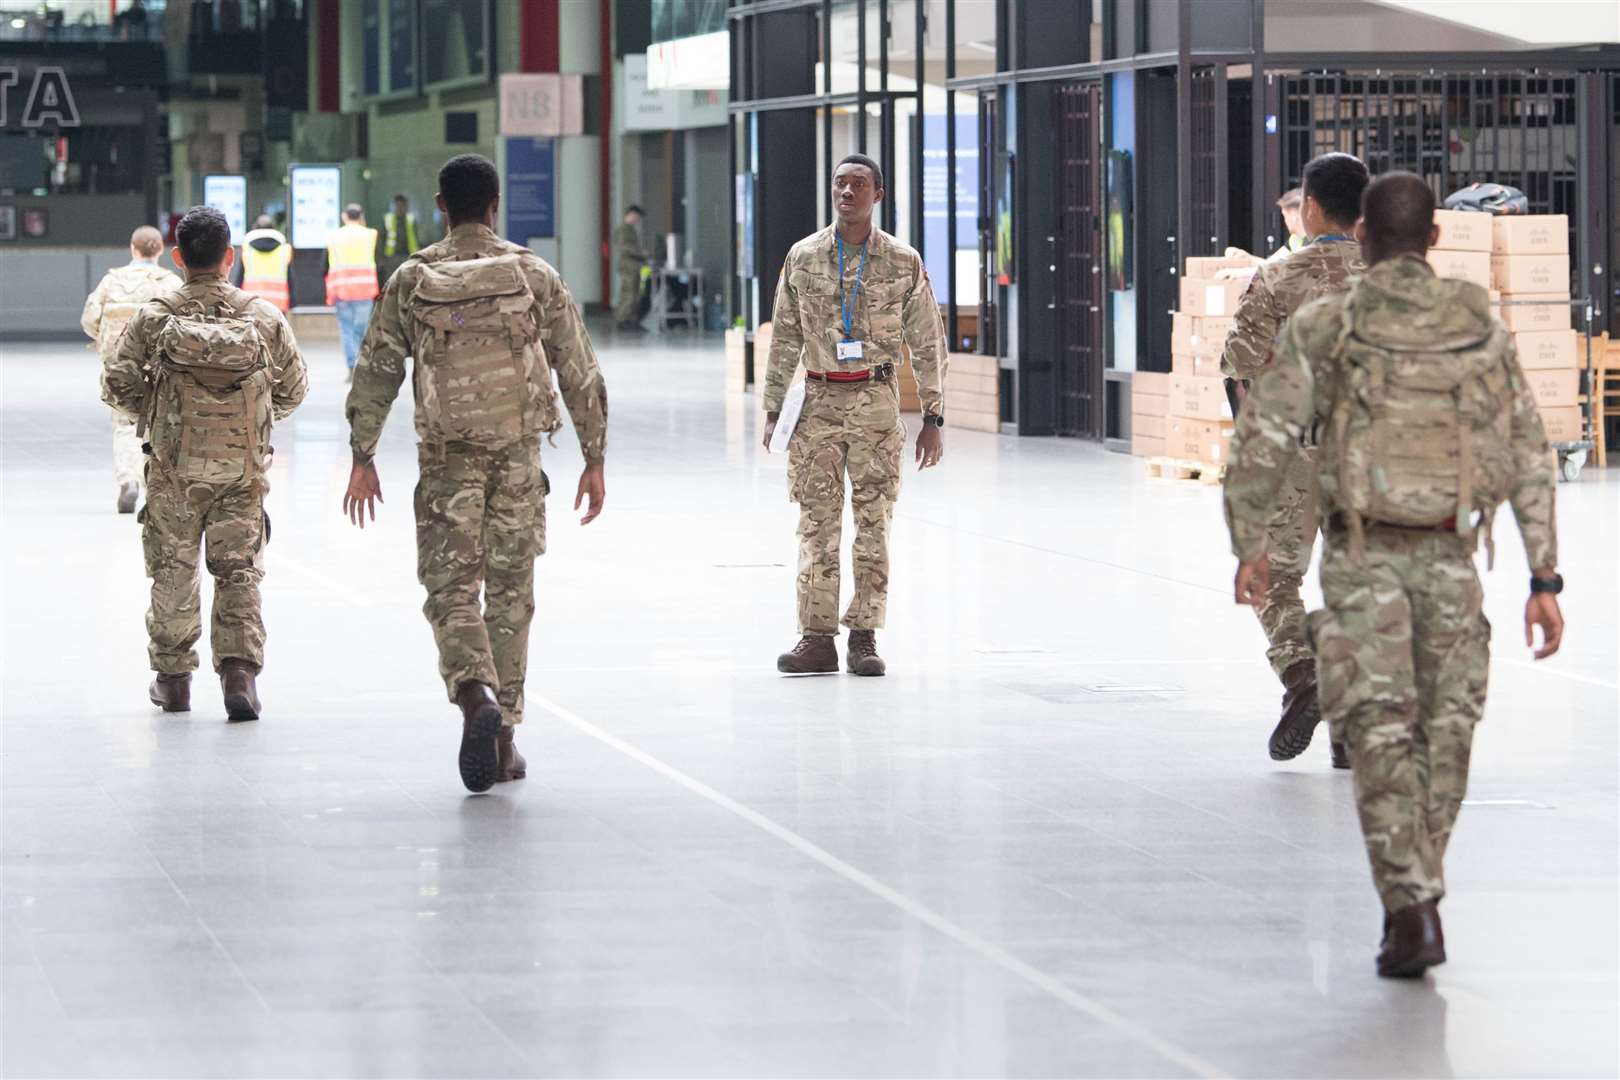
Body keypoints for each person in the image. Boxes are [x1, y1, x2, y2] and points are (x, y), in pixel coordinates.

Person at [1223, 172, 1564, 978]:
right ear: (1437, 239)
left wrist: (1250, 543)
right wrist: (1544, 576)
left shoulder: (1322, 320)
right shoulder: (1478, 322)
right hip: (1452, 555)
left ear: (1363, 237)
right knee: (1444, 738)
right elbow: (1526, 449)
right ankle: (1422, 894)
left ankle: (1409, 905)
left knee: (1377, 739)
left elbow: (1263, 432)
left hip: (1360, 560)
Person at [341, 153, 608, 794]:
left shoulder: (413, 278)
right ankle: (506, 737)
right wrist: (594, 457)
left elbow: (376, 369)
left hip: (447, 462)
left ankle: (473, 694)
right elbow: (579, 368)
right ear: (494, 206)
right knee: (512, 598)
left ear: (440, 205)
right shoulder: (532, 274)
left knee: (452, 591)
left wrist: (362, 454)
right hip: (518, 459)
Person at [103, 206, 309, 720]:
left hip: (174, 470)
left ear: (178, 258)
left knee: (173, 572)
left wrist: (155, 417)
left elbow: (117, 384)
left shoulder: (155, 317)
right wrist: (254, 422)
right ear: (229, 257)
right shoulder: (261, 316)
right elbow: (294, 389)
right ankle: (239, 675)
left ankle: (174, 682)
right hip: (241, 472)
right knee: (239, 572)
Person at [762, 153, 947, 677]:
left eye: (858, 184)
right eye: (840, 183)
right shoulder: (802, 257)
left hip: (876, 403)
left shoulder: (902, 262)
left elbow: (928, 341)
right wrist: (774, 409)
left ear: (878, 194)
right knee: (815, 523)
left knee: (873, 521)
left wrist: (933, 416)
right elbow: (785, 336)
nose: (847, 192)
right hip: (817, 404)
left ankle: (863, 636)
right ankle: (816, 637)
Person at [1220, 152, 1369, 770]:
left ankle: (1302, 672)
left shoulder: (1280, 276)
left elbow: (1239, 364)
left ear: (1309, 207)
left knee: (1275, 577)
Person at [81, 225, 181, 514]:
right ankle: (156, 489)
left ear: (132, 249)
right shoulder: (170, 283)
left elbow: (89, 320)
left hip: (120, 368)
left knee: (125, 424)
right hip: (160, 369)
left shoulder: (112, 281)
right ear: (160, 250)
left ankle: (128, 479)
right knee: (159, 427)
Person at [325, 203, 380, 379]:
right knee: (363, 331)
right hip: (365, 290)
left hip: (342, 289)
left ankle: (351, 366)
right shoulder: (370, 234)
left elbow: (325, 264)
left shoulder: (334, 236)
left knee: (346, 330)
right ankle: (364, 366)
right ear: (361, 216)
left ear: (344, 216)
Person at [240, 214, 293, 312]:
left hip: (252, 301)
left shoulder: (247, 248)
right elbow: (290, 277)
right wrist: (293, 302)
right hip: (277, 303)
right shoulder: (284, 249)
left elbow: (240, 276)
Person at [614, 205, 649, 331]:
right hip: (629, 266)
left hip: (632, 265)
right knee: (629, 294)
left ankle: (630, 320)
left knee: (634, 294)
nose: (638, 220)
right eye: (637, 217)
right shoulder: (625, 229)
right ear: (631, 214)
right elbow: (625, 247)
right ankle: (623, 320)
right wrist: (641, 253)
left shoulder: (629, 229)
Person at [381, 193, 421, 282]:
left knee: (407, 281)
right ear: (394, 206)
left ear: (406, 206)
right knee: (391, 281)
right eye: (397, 205)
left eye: (402, 205)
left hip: (408, 255)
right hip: (392, 256)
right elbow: (382, 239)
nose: (400, 208)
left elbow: (416, 237)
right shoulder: (388, 219)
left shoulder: (411, 219)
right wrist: (382, 258)